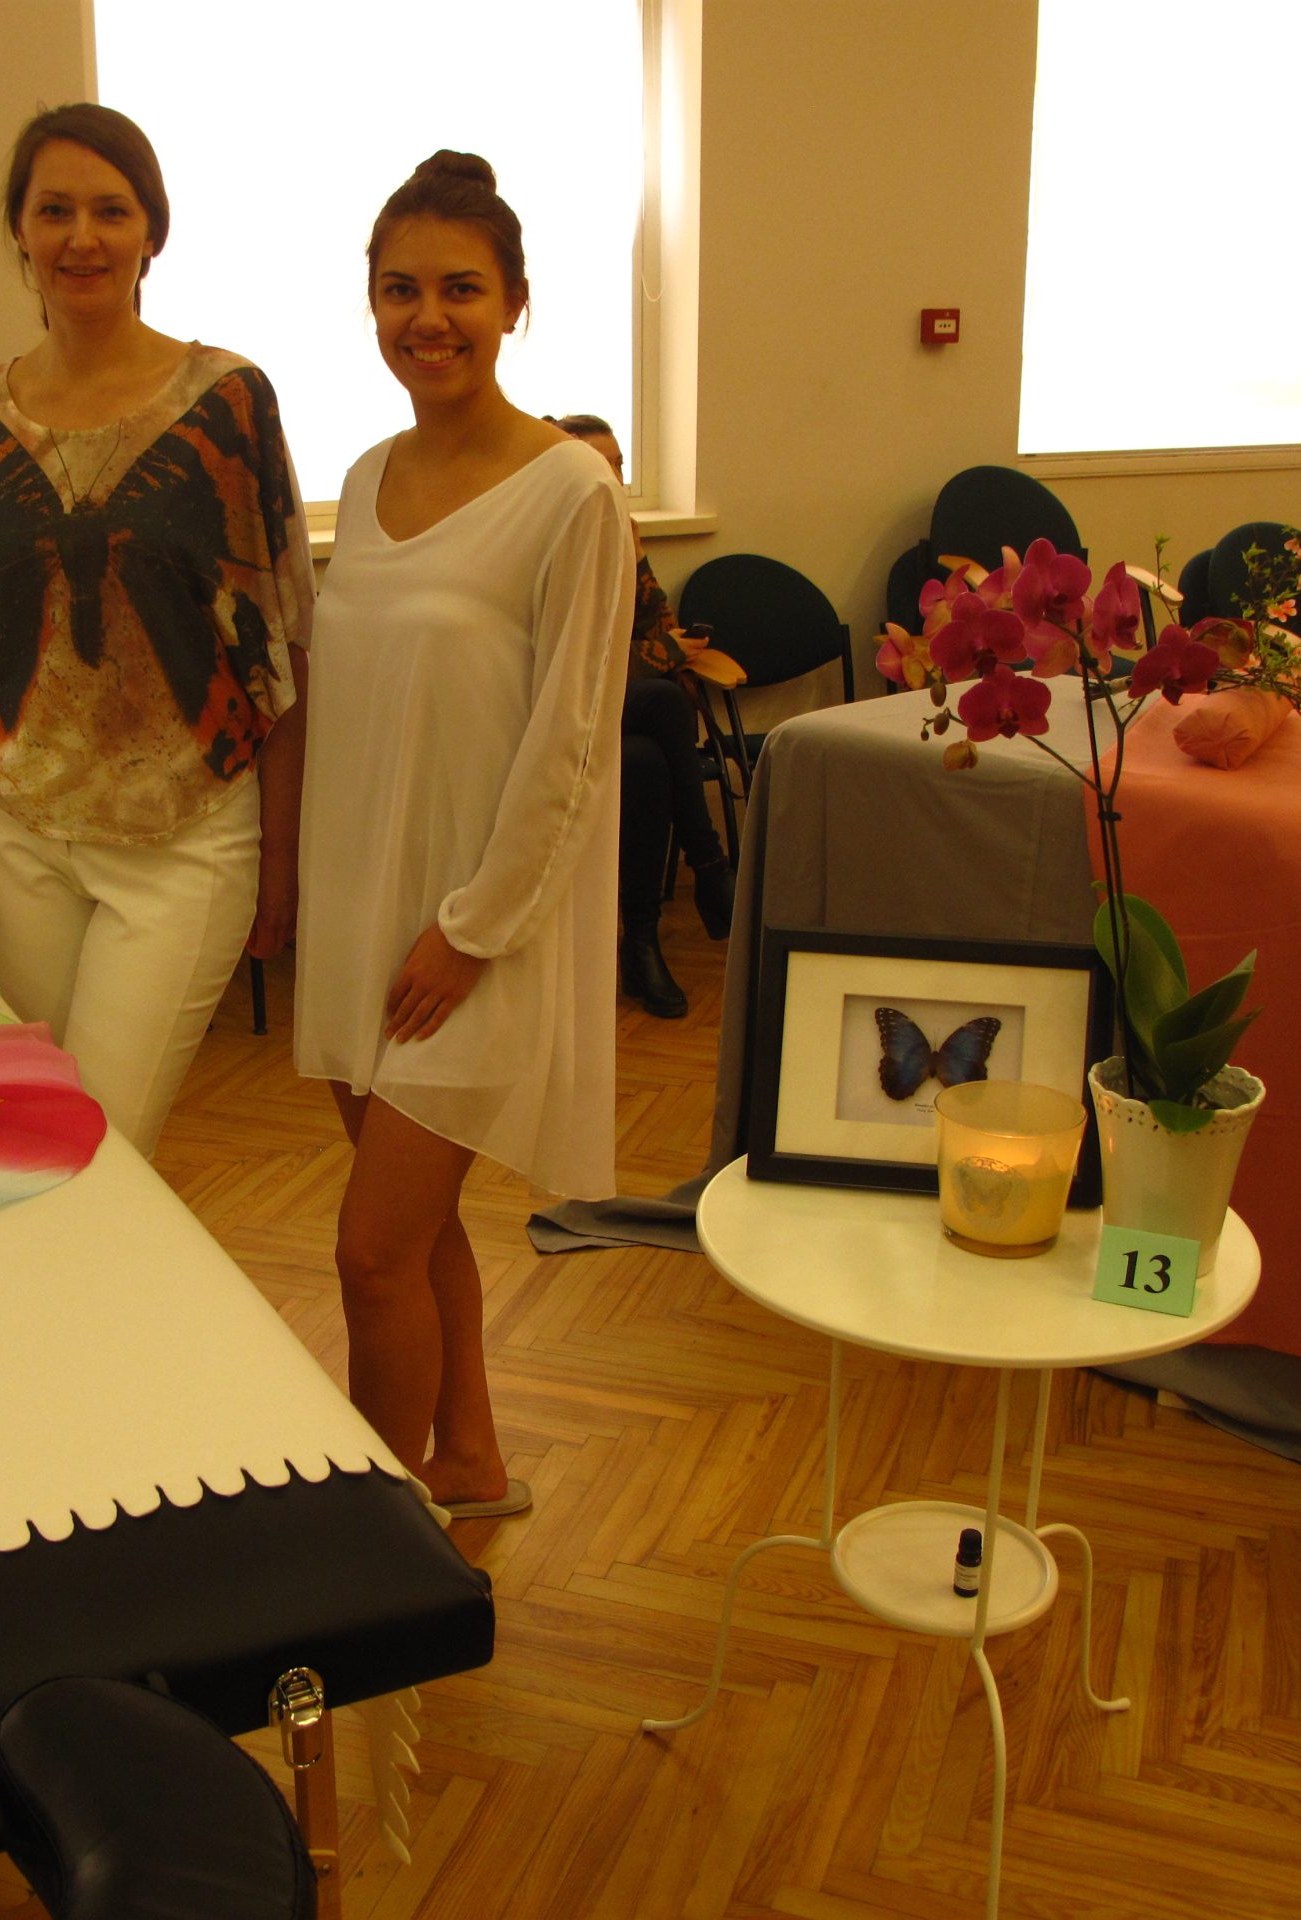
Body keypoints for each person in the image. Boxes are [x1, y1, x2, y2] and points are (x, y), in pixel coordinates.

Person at [294, 153, 632, 1518]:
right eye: (399, 290)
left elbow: (572, 745)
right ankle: (473, 1463)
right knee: (418, 1231)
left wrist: (473, 930)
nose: (426, 318)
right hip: (360, 917)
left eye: (460, 290)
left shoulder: (571, 492)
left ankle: (378, 1547)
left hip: (470, 934)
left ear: (515, 305)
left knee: (371, 1254)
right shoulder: (365, 474)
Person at [0, 104, 313, 1159]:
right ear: (20, 231)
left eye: (110, 211)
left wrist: (283, 858)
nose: (82, 237)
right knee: (35, 1129)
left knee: (104, 1146)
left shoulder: (229, 402)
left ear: (151, 233)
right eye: (55, 211)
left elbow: (284, 649)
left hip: (186, 833)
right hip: (10, 829)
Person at [552, 414, 736, 1020]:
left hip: (617, 721)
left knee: (648, 762)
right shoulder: (549, 539)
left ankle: (642, 942)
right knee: (663, 701)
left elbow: (658, 627)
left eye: (619, 466)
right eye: (598, 466)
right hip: (555, 715)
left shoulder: (623, 533)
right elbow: (579, 664)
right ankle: (708, 863)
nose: (614, 479)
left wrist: (635, 566)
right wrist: (667, 654)